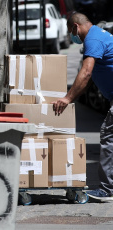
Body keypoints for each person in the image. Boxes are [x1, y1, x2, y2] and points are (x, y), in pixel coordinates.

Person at [52, 12, 113, 202]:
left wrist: (68, 98)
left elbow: (86, 73)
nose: (73, 36)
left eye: (72, 32)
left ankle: (107, 189)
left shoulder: (93, 40)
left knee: (109, 135)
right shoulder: (100, 34)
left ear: (76, 28)